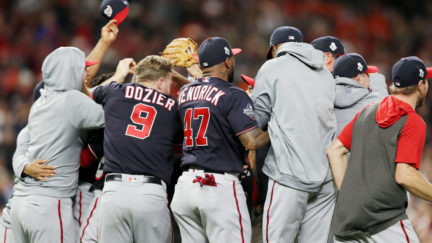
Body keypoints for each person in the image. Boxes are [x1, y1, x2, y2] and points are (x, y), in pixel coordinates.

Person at [171, 37, 269, 243]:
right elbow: (252, 141)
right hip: (218, 188)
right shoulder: (233, 94)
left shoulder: (185, 92)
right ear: (227, 62)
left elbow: (204, 93)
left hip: (185, 187)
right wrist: (279, 130)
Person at [327, 56, 432, 242]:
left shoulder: (368, 111)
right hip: (384, 219)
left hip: (348, 218)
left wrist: (350, 195)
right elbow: (404, 175)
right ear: (420, 85)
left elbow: (335, 151)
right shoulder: (413, 121)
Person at [10, 44, 106, 243]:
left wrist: (23, 166)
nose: (86, 73)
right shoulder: (71, 100)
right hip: (49, 204)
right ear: (69, 71)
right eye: (82, 68)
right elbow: (114, 117)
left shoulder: (39, 103)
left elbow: (21, 147)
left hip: (20, 204)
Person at [252, 26, 337, 243]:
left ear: (274, 48)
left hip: (288, 175)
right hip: (325, 179)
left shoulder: (271, 67)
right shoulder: (325, 73)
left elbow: (258, 120)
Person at [92, 56, 180, 243]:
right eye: (170, 83)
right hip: (150, 193)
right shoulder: (173, 107)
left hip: (113, 192)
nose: (169, 89)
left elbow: (86, 95)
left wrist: (119, 75)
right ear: (160, 81)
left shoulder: (114, 91)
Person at [333, 53, 383, 135]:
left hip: (334, 147)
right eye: (367, 76)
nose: (369, 81)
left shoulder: (326, 97)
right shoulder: (375, 101)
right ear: (359, 79)